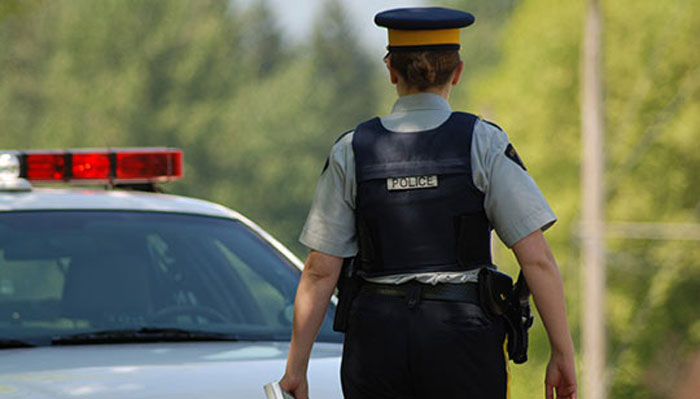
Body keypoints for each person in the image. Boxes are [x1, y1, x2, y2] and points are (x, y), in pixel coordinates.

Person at [280, 6, 577, 399]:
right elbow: (536, 258)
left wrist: (295, 369)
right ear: (457, 71)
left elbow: (320, 271)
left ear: (391, 71)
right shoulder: (482, 143)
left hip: (376, 341)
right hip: (462, 340)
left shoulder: (352, 150)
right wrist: (562, 353)